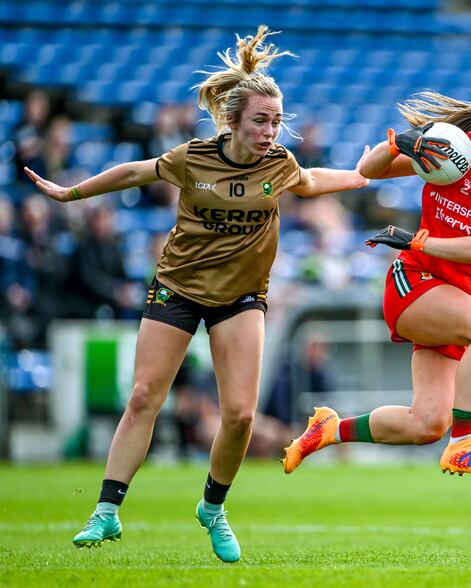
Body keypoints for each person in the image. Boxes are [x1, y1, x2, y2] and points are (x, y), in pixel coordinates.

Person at [24, 25, 368, 563]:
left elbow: (309, 179)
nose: (270, 131)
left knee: (240, 416)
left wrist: (360, 176)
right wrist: (71, 191)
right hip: (178, 288)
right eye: (260, 120)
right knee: (144, 397)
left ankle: (212, 507)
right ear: (232, 121)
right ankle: (107, 512)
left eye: (276, 121)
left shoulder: (279, 165)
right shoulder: (194, 158)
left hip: (241, 297)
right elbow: (137, 170)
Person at [282, 83, 471, 480]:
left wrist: (415, 239)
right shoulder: (456, 148)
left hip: (455, 298)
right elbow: (367, 172)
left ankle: (330, 430)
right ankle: (463, 446)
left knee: (426, 425)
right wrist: (400, 146)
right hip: (414, 282)